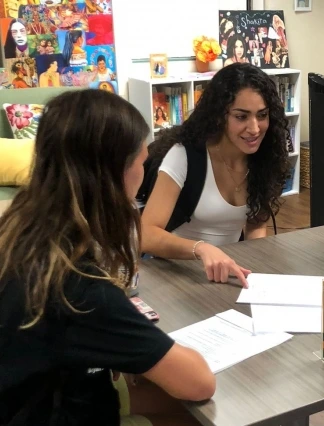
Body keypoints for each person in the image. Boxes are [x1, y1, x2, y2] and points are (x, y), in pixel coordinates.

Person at [0, 89, 215, 426]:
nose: (142, 178)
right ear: (113, 174)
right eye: (141, 164)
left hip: (30, 397)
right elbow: (200, 382)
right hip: (53, 412)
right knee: (197, 410)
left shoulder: (19, 232)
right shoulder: (78, 287)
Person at [140, 63, 290, 288]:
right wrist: (200, 248)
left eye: (262, 115)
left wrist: (256, 269)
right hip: (177, 273)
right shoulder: (185, 155)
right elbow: (146, 234)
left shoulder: (265, 158)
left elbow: (256, 226)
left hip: (227, 273)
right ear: (219, 115)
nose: (255, 128)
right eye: (241, 117)